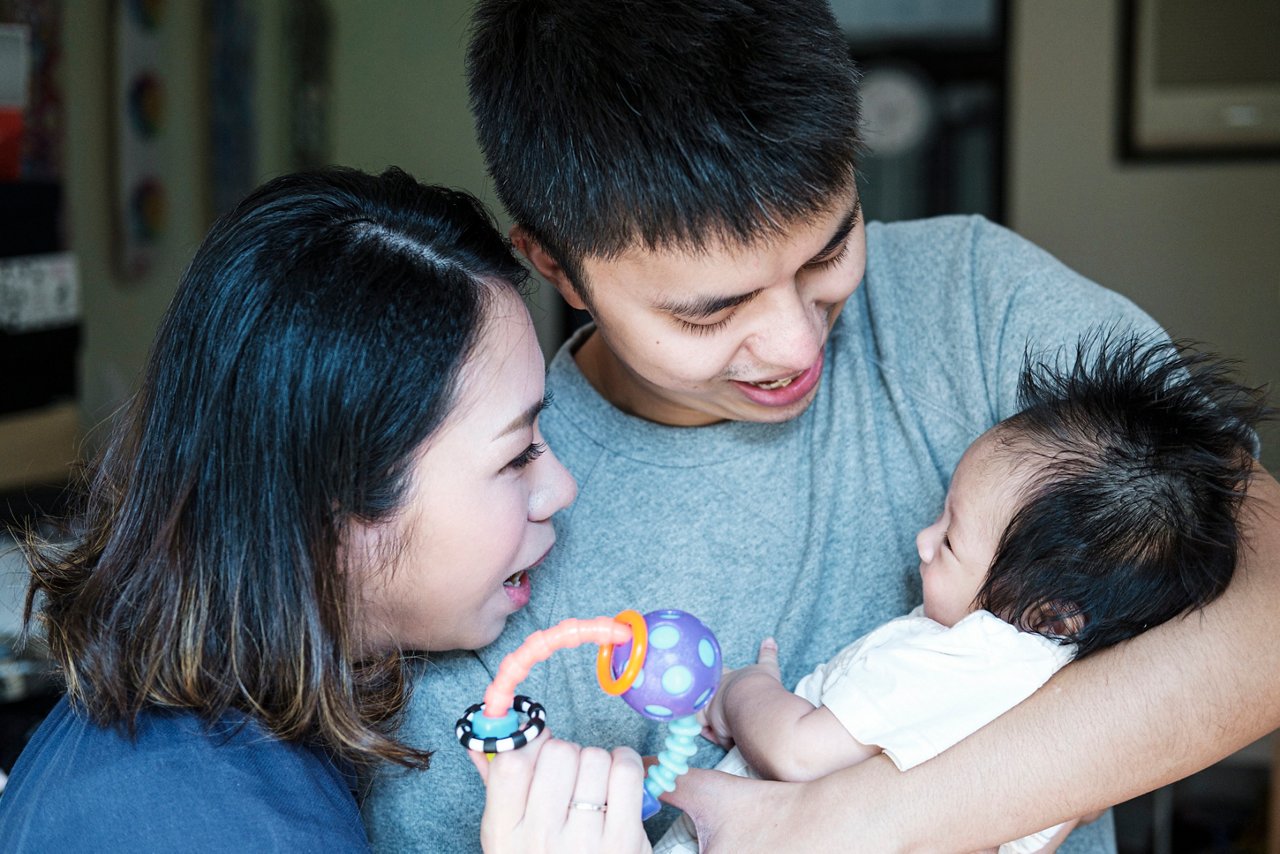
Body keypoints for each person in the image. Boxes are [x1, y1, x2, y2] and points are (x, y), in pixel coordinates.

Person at [363, 2, 1280, 851]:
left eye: (831, 248)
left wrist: (857, 819)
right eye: (709, 313)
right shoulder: (491, 533)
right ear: (557, 269)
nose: (797, 341)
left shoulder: (974, 298)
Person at [0, 167, 650, 853]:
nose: (560, 488)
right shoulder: (222, 825)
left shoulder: (224, 737)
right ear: (332, 515)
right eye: (516, 456)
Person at [655, 335, 1269, 854]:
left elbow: (796, 752)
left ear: (1047, 614)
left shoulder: (957, 657)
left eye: (950, 541)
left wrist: (742, 690)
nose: (923, 542)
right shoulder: (1078, 705)